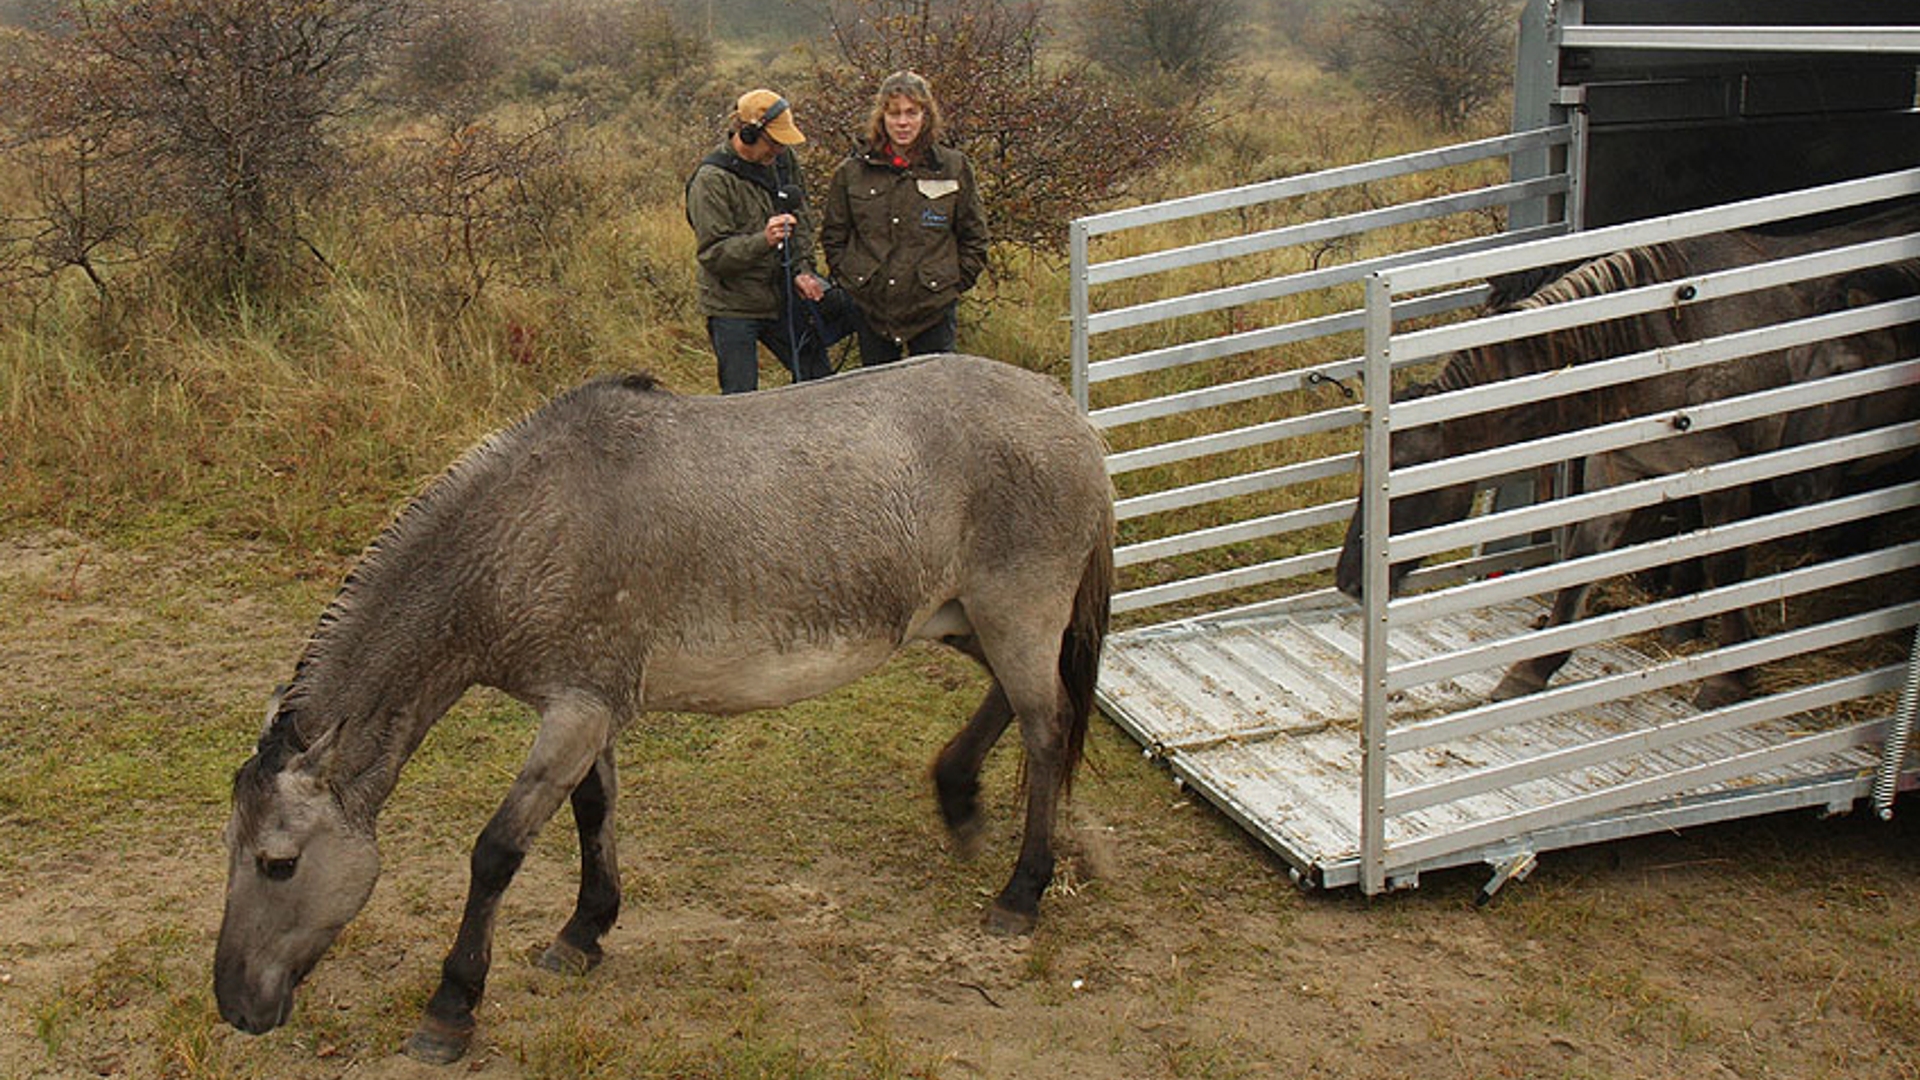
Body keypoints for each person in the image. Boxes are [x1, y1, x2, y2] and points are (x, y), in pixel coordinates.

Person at [821, 70, 989, 367]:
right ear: (881, 116)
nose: (902, 122)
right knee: (877, 403)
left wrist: (950, 285)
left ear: (926, 115)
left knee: (937, 401)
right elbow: (834, 236)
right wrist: (855, 282)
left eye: (912, 112)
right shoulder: (852, 172)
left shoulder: (953, 167)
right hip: (872, 309)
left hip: (933, 309)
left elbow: (973, 236)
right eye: (894, 113)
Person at [686, 88, 832, 393]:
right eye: (773, 142)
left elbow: (801, 217)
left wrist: (803, 270)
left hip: (780, 296)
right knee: (740, 399)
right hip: (732, 305)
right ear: (748, 133)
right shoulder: (711, 180)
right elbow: (713, 255)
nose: (778, 150)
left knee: (819, 379)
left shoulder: (783, 160)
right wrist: (763, 240)